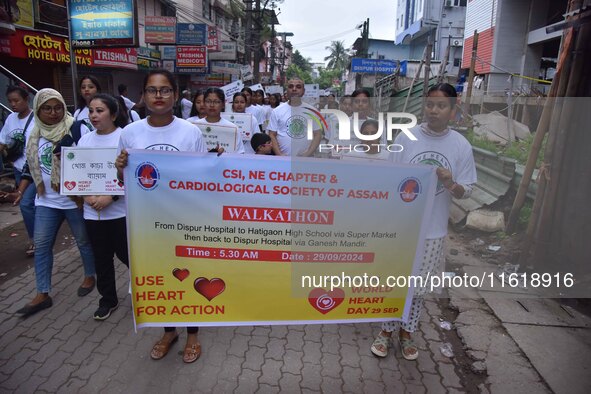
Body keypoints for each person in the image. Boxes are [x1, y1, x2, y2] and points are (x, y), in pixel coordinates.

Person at [370, 83, 476, 361]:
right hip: (402, 227)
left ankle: (408, 334)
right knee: (394, 283)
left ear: (453, 110)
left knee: (417, 289)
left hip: (433, 230)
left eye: (441, 106)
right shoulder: (407, 138)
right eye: (429, 104)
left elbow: (468, 190)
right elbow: (390, 178)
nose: (433, 110)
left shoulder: (461, 146)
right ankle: (386, 331)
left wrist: (450, 181)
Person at [115, 69, 207, 363]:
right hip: (147, 224)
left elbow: (202, 177)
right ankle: (169, 331)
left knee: (188, 274)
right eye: (152, 90)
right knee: (162, 277)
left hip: (185, 219)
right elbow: (123, 180)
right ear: (142, 96)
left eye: (165, 90)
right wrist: (120, 167)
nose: (158, 96)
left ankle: (192, 333)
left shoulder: (190, 132)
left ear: (175, 95)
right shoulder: (130, 133)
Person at [13, 88, 96, 317]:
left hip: (73, 201)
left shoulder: (77, 129)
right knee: (41, 245)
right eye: (47, 108)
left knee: (83, 241)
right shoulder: (35, 133)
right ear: (39, 109)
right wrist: (21, 189)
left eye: (58, 107)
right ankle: (42, 293)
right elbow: (31, 166)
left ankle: (90, 275)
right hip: (46, 200)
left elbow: (93, 161)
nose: (53, 113)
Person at [79, 94, 129, 320]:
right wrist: (88, 196)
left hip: (121, 212)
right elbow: (78, 173)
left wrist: (111, 197)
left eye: (100, 111)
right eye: (91, 111)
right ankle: (108, 300)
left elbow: (132, 175)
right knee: (101, 259)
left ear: (114, 114)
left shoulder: (125, 138)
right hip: (92, 213)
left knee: (129, 256)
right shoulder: (85, 141)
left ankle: (146, 293)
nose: (94, 116)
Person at [0, 86, 36, 256]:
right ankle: (38, 237)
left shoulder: (37, 118)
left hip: (35, 170)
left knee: (26, 204)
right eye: (10, 101)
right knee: (31, 205)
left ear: (26, 99)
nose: (13, 104)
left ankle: (36, 240)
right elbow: (3, 140)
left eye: (16, 100)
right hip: (17, 169)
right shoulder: (10, 119)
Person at [267, 78, 323, 157]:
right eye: (291, 86)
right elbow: (272, 134)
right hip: (282, 160)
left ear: (303, 91)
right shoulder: (277, 111)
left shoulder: (312, 112)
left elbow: (317, 134)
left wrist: (307, 154)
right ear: (286, 91)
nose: (294, 89)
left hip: (305, 161)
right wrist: (279, 154)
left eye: (298, 87)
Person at [194, 88, 245, 154]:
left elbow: (240, 154)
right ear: (204, 103)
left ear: (223, 104)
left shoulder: (232, 128)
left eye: (216, 102)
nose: (212, 105)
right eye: (208, 101)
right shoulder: (195, 127)